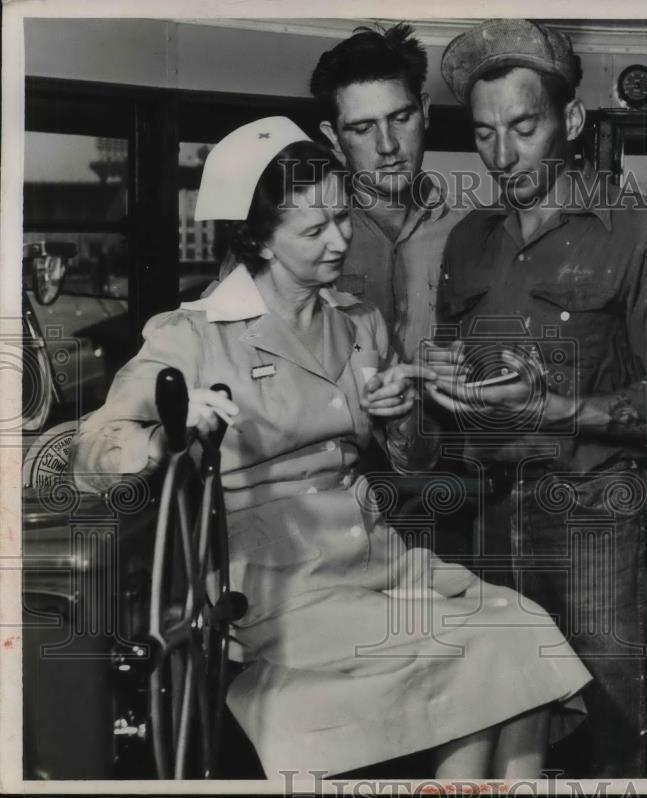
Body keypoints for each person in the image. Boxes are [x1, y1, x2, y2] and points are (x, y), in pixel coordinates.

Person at [72, 117, 591, 780]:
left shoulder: (358, 322)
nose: (340, 240)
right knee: (476, 649)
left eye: (343, 219)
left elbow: (407, 463)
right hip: (277, 582)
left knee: (519, 624)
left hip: (377, 557)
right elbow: (93, 450)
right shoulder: (194, 335)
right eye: (314, 230)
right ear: (259, 236)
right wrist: (170, 433)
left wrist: (399, 417)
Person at [418, 20, 647, 777]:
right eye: (484, 134)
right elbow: (455, 376)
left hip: (595, 522)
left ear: (571, 121)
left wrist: (561, 410)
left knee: (617, 727)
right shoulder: (467, 239)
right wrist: (438, 388)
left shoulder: (641, 230)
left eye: (524, 127)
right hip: (484, 516)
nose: (503, 154)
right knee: (497, 724)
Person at [310, 22, 465, 363]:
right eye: (363, 128)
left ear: (424, 111)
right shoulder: (295, 237)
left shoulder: (473, 231)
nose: (387, 145)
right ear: (334, 138)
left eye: (400, 118)